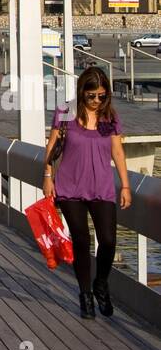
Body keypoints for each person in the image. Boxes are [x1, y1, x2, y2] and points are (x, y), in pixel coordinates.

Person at [43, 66, 131, 318]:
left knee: (108, 240)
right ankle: (85, 296)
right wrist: (47, 177)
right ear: (82, 92)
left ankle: (100, 283)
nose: (96, 101)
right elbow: (51, 146)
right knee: (81, 240)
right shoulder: (66, 112)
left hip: (101, 186)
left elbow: (117, 152)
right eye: (92, 96)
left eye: (102, 96)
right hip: (70, 186)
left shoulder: (109, 118)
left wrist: (125, 185)